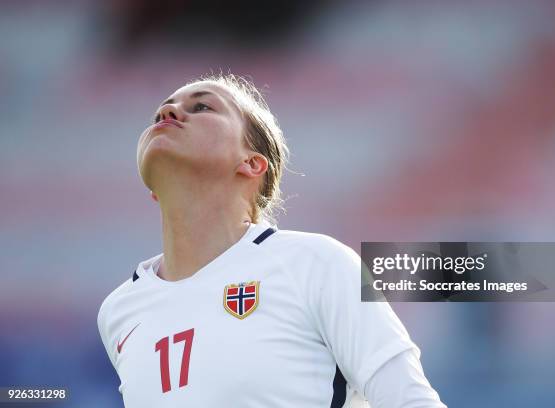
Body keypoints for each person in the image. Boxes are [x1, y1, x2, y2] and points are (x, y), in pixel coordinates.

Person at [97, 74, 446, 407]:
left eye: (202, 107)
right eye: (161, 110)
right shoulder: (118, 312)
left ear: (251, 163)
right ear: (154, 193)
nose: (168, 112)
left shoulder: (317, 264)